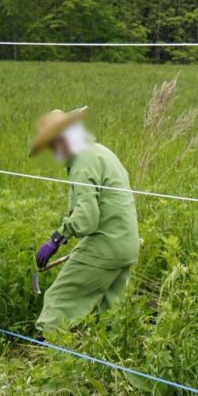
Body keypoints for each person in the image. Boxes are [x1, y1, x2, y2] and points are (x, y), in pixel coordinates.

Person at [29, 107, 140, 334]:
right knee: (109, 317)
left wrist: (56, 238)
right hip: (127, 245)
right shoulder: (101, 152)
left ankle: (50, 359)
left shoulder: (82, 162)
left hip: (106, 245)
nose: (53, 152)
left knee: (58, 302)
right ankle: (108, 366)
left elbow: (87, 218)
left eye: (52, 145)